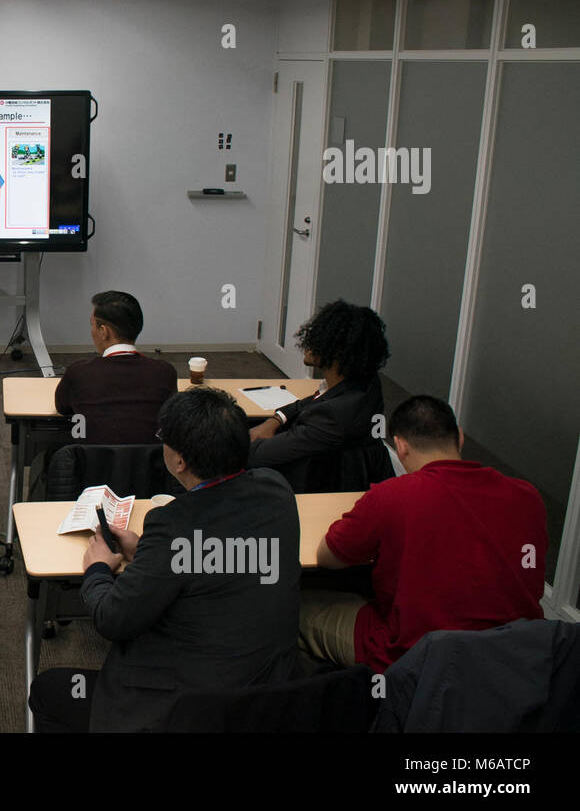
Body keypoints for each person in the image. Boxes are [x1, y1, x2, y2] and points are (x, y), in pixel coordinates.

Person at [28, 387, 300, 732]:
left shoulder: (173, 523)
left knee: (48, 691)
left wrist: (97, 569)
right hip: (272, 694)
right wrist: (146, 552)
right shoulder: (276, 489)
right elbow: (215, 559)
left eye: (164, 439)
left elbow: (111, 620)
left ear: (180, 460)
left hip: (192, 709)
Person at [300, 395, 547, 673]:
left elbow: (328, 556)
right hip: (516, 656)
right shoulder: (528, 497)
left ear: (401, 446)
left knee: (299, 607)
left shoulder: (390, 496)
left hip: (414, 659)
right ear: (460, 438)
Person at [248, 299, 390, 484]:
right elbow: (312, 401)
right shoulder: (359, 384)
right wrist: (274, 420)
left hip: (318, 481)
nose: (308, 342)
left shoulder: (334, 415)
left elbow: (257, 457)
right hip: (332, 461)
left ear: (337, 352)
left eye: (317, 337)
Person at [55, 291, 177, 445]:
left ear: (103, 331)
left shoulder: (79, 373)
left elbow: (62, 407)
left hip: (93, 466)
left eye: (92, 325)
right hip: (148, 466)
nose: (91, 331)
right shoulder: (164, 372)